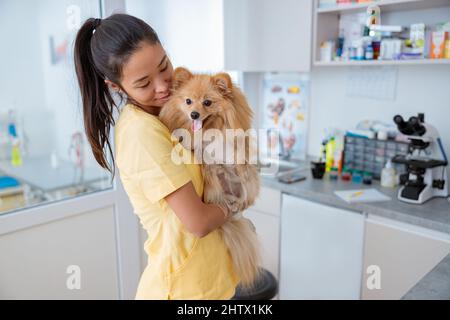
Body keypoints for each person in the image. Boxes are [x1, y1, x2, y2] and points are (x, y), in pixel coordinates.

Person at [74, 13, 239, 299]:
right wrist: (237, 201)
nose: (163, 85)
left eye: (164, 66)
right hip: (182, 290)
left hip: (210, 282)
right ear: (115, 86)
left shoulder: (171, 112)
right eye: (143, 83)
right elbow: (198, 222)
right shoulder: (141, 133)